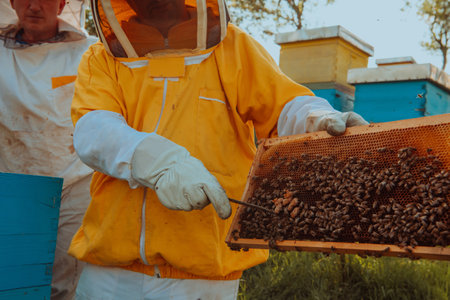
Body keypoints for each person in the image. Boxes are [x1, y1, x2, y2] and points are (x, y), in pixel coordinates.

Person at [69, 0, 368, 299]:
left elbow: (284, 106)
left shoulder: (233, 47)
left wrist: (315, 118)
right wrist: (160, 163)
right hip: (110, 275)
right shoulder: (101, 57)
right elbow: (93, 128)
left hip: (204, 277)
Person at [0, 0, 96, 299]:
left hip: (76, 180)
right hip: (16, 176)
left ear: (62, 3)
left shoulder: (89, 51)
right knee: (16, 281)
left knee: (64, 281)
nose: (34, 6)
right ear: (13, 3)